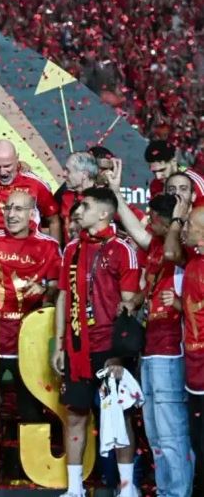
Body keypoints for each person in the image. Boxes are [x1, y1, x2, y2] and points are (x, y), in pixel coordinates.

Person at [0, 190, 62, 480]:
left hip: (28, 343)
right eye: (8, 208)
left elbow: (58, 289)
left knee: (29, 409)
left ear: (32, 213)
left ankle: (32, 468)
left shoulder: (49, 246)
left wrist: (46, 289)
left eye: (19, 209)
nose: (12, 214)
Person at [108, 169, 193, 497]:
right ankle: (165, 490)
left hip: (172, 349)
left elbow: (174, 253)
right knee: (156, 434)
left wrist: (176, 222)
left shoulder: (179, 246)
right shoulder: (156, 245)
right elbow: (136, 228)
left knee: (172, 434)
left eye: (154, 219)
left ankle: (177, 493)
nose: (148, 224)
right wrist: (116, 193)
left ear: (165, 220)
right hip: (151, 347)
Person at [52, 187, 141, 497]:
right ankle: (74, 488)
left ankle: (128, 489)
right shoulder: (72, 249)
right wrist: (59, 344)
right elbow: (63, 296)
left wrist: (119, 355)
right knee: (75, 415)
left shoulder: (122, 248)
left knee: (119, 416)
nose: (79, 209)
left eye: (85, 205)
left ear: (104, 213)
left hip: (108, 348)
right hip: (77, 345)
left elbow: (129, 303)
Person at [0, 140, 60, 238]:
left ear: (17, 159)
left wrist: (55, 251)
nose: (2, 172)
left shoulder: (36, 183)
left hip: (27, 250)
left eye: (7, 166)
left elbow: (54, 221)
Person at [178, 208, 204, 494]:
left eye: (189, 224)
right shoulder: (194, 261)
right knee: (197, 442)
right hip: (194, 369)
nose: (184, 227)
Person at [55, 151, 100, 244]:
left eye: (68, 170)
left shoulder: (104, 198)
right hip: (69, 254)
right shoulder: (64, 195)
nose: (64, 174)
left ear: (84, 174)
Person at [145, 139, 204, 206]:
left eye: (162, 170)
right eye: (154, 172)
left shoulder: (195, 183)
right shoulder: (155, 185)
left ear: (174, 161)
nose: (158, 176)